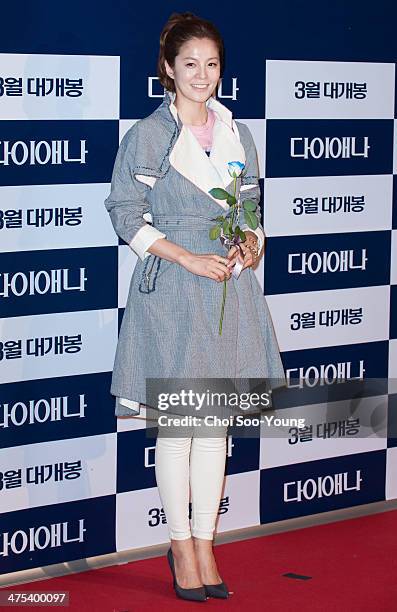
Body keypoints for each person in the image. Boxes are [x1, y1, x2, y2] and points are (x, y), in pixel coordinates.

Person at [104, 11, 286, 602]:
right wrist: (185, 257)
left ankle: (206, 543)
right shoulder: (149, 134)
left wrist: (252, 242)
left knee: (213, 430)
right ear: (167, 69)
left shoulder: (237, 132)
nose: (202, 75)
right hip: (175, 289)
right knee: (180, 427)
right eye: (190, 64)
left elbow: (252, 206)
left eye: (211, 65)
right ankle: (180, 545)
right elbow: (123, 213)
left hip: (229, 288)